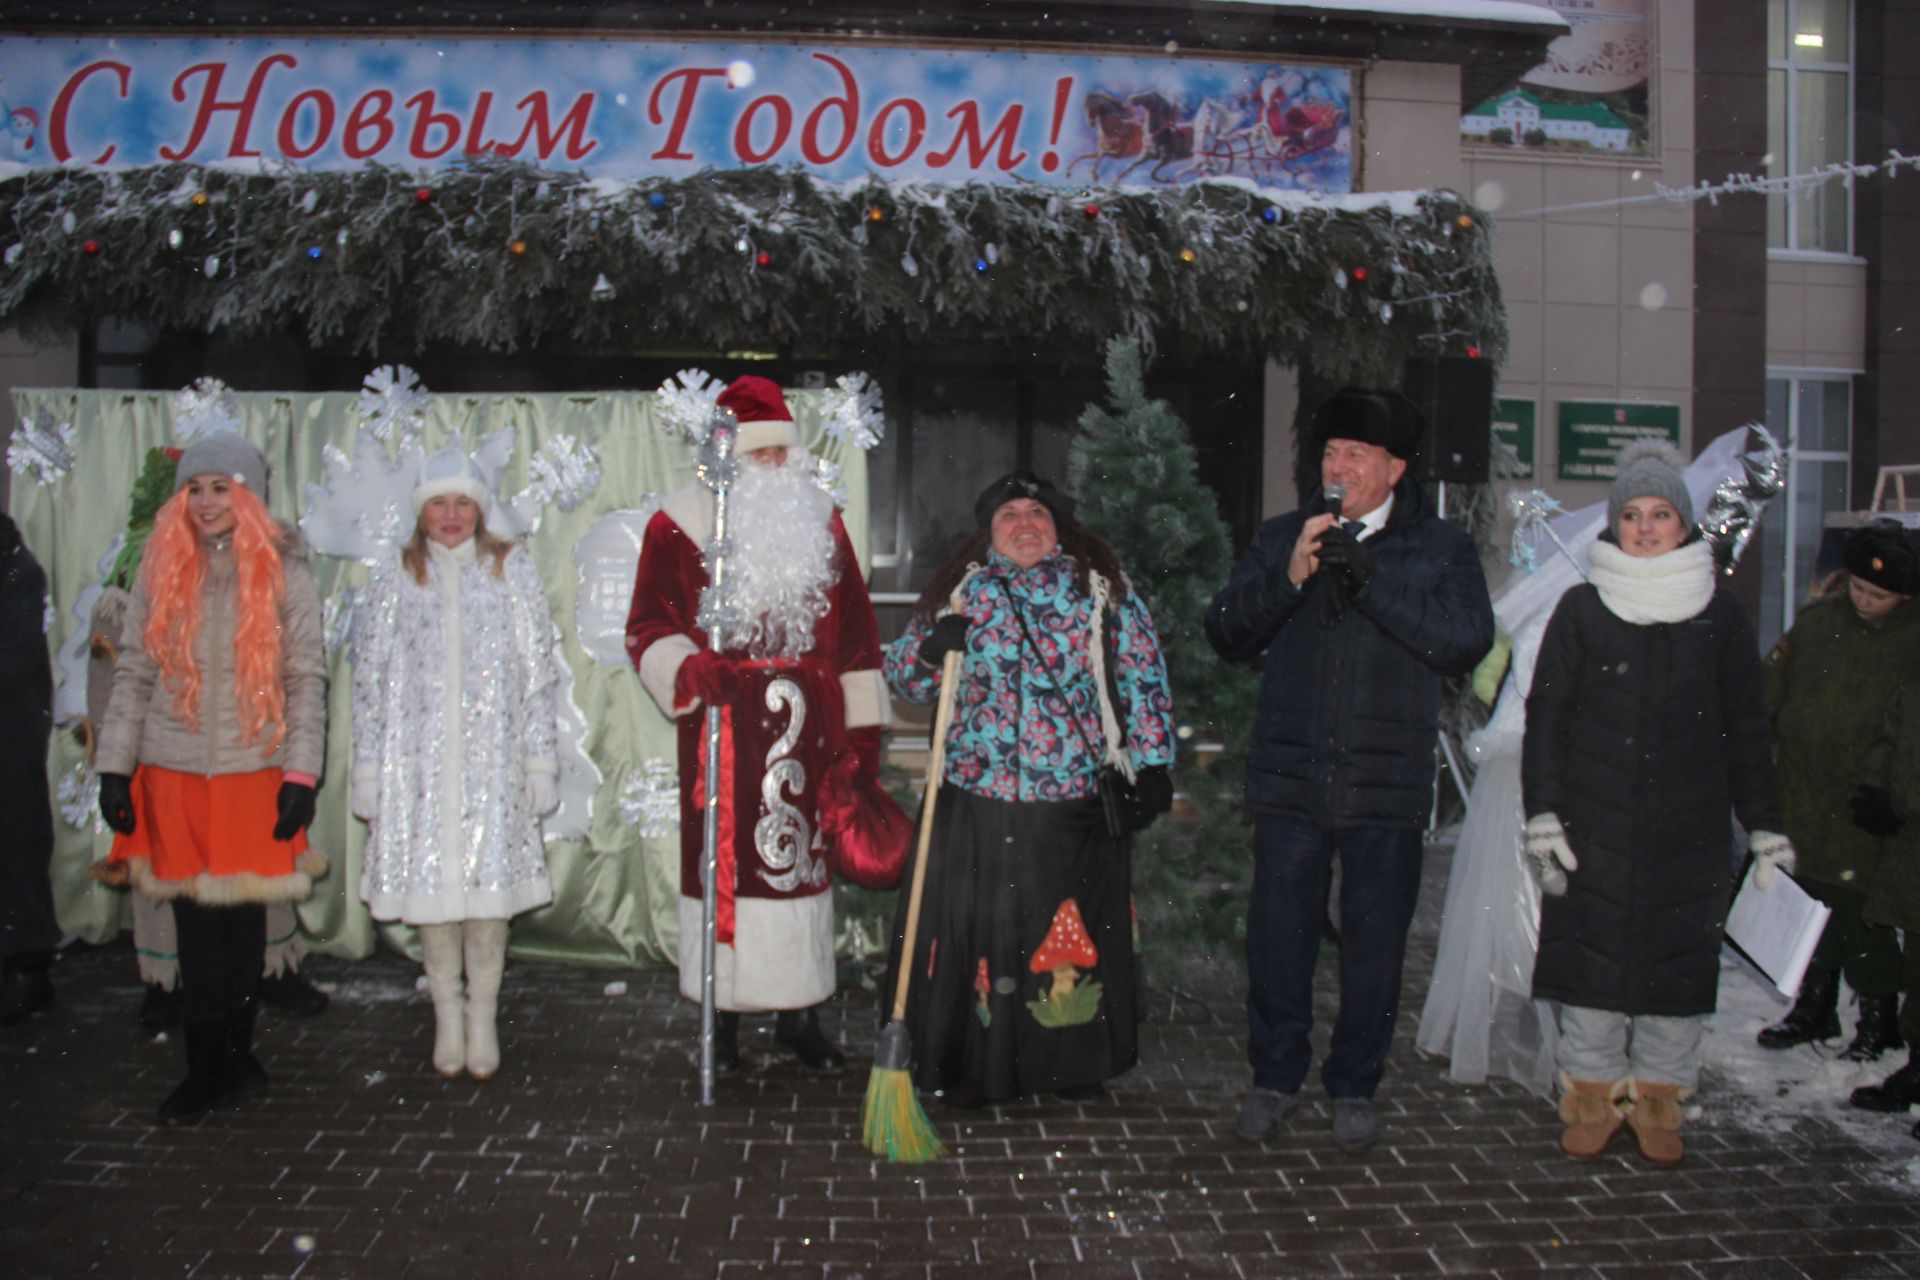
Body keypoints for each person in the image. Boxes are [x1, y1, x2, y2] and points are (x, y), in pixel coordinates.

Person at [1206, 386, 1493, 1153]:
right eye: (1330, 453)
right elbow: (1226, 633)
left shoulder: (1440, 550)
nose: (1337, 466)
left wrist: (1371, 579)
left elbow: (1463, 642)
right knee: (1278, 944)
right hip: (1291, 783)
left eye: (1355, 455)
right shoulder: (1282, 536)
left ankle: (1356, 1083)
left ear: (1394, 468)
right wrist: (1288, 578)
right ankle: (1274, 1077)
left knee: (1375, 953)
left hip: (1386, 786)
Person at [1521, 440, 1790, 1167]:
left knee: (1676, 970)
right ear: (1614, 525)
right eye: (1632, 514)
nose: (1645, 527)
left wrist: (1764, 825)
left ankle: (1661, 1102)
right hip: (1593, 824)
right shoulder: (1582, 610)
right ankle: (1590, 1098)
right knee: (1594, 969)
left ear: (1685, 524)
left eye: (1661, 514)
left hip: (1690, 829)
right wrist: (1542, 813)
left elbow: (1747, 730)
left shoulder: (1720, 618)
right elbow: (1547, 719)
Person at [624, 375, 897, 1073]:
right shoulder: (680, 522)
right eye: (758, 454)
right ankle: (723, 1021)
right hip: (725, 723)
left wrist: (861, 738)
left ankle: (799, 1015)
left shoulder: (821, 519)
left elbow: (859, 635)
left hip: (812, 726)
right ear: (731, 457)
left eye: (781, 452)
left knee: (800, 864)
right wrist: (687, 668)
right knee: (726, 863)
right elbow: (649, 623)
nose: (772, 466)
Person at [882, 471, 1175, 1106]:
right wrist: (932, 650)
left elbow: (1143, 674)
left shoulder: (1100, 594)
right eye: (1009, 515)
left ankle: (1070, 1065)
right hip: (975, 798)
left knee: (1064, 937)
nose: (1024, 524)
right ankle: (971, 1062)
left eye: (1037, 514)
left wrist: (1153, 765)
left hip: (1068, 806)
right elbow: (904, 680)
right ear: (989, 533)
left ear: (1059, 528)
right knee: (979, 937)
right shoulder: (961, 594)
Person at [94, 432, 327, 1125]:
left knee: (244, 926)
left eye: (220, 487)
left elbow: (305, 678)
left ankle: (237, 1056)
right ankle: (207, 1069)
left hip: (255, 773)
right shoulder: (162, 565)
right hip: (174, 772)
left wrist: (301, 774)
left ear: (247, 495)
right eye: (194, 489)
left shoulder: (288, 571)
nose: (204, 502)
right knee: (197, 928)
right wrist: (114, 766)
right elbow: (133, 670)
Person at [350, 445, 560, 1080]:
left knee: (487, 898)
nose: (450, 515)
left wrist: (538, 758)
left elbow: (537, 671)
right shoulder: (396, 575)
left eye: (461, 502)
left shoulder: (510, 570)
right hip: (417, 768)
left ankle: (484, 1013)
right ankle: (446, 1009)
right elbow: (370, 677)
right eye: (438, 503)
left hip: (490, 765)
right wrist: (368, 767)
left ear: (479, 508)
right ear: (421, 510)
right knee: (434, 896)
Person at [1758, 521, 1920, 1062]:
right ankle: (1814, 1006)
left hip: (1866, 802)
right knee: (1808, 899)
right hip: (1804, 789)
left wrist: (1888, 788)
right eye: (1857, 588)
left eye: (1880, 595)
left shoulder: (1914, 638)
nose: (1865, 601)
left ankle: (1879, 1017)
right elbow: (1771, 690)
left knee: (1861, 909)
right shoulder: (1818, 621)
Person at [0, 512, 59, 1026]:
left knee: (17, 848)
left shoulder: (17, 568)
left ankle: (29, 969)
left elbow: (13, 661)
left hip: (10, 735)